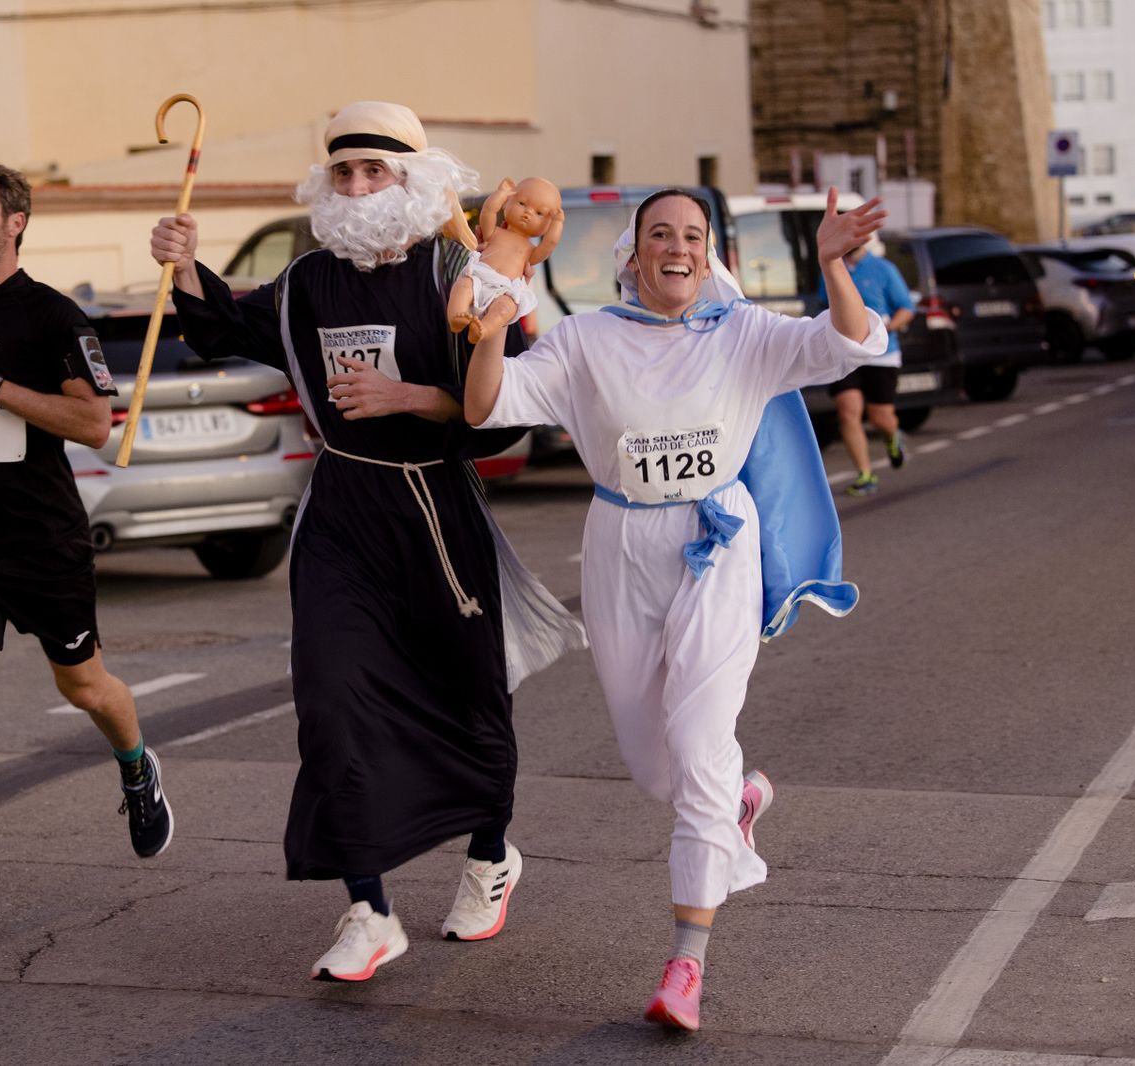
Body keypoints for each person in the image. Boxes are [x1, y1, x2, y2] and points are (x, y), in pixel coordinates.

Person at [151, 100, 584, 981]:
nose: (356, 187)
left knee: (468, 696)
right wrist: (186, 268)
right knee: (332, 699)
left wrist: (412, 399)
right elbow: (230, 323)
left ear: (413, 180)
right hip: (343, 518)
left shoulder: (460, 268)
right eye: (343, 172)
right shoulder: (310, 281)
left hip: (435, 515)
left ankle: (491, 855)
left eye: (373, 171)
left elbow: (505, 411)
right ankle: (368, 908)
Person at [464, 187, 888, 1030]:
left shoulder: (745, 333)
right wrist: (485, 332)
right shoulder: (587, 339)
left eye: (693, 235)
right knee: (657, 769)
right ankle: (734, 800)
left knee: (697, 749)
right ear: (632, 253)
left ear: (709, 251)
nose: (678, 248)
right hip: (622, 548)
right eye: (661, 233)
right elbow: (487, 406)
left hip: (718, 547)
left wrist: (832, 261)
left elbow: (848, 342)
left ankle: (685, 966)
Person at [0, 155, 172, 929]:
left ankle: (136, 764)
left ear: (14, 221)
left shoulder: (53, 317)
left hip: (44, 542)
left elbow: (93, 424)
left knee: (83, 686)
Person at [818, 235, 915, 495]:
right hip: (846, 353)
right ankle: (865, 473)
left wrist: (886, 328)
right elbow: (823, 304)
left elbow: (906, 307)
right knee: (847, 410)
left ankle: (892, 436)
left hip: (882, 354)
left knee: (880, 417)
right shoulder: (831, 268)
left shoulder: (883, 269)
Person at [446, 176, 563, 343]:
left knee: (504, 309)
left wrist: (557, 224)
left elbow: (549, 244)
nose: (528, 213)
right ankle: (456, 317)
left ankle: (483, 330)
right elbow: (488, 211)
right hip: (480, 277)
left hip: (506, 289)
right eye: (522, 203)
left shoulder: (530, 251)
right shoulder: (494, 234)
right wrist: (501, 193)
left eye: (539, 213)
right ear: (508, 202)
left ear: (547, 225)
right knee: (463, 286)